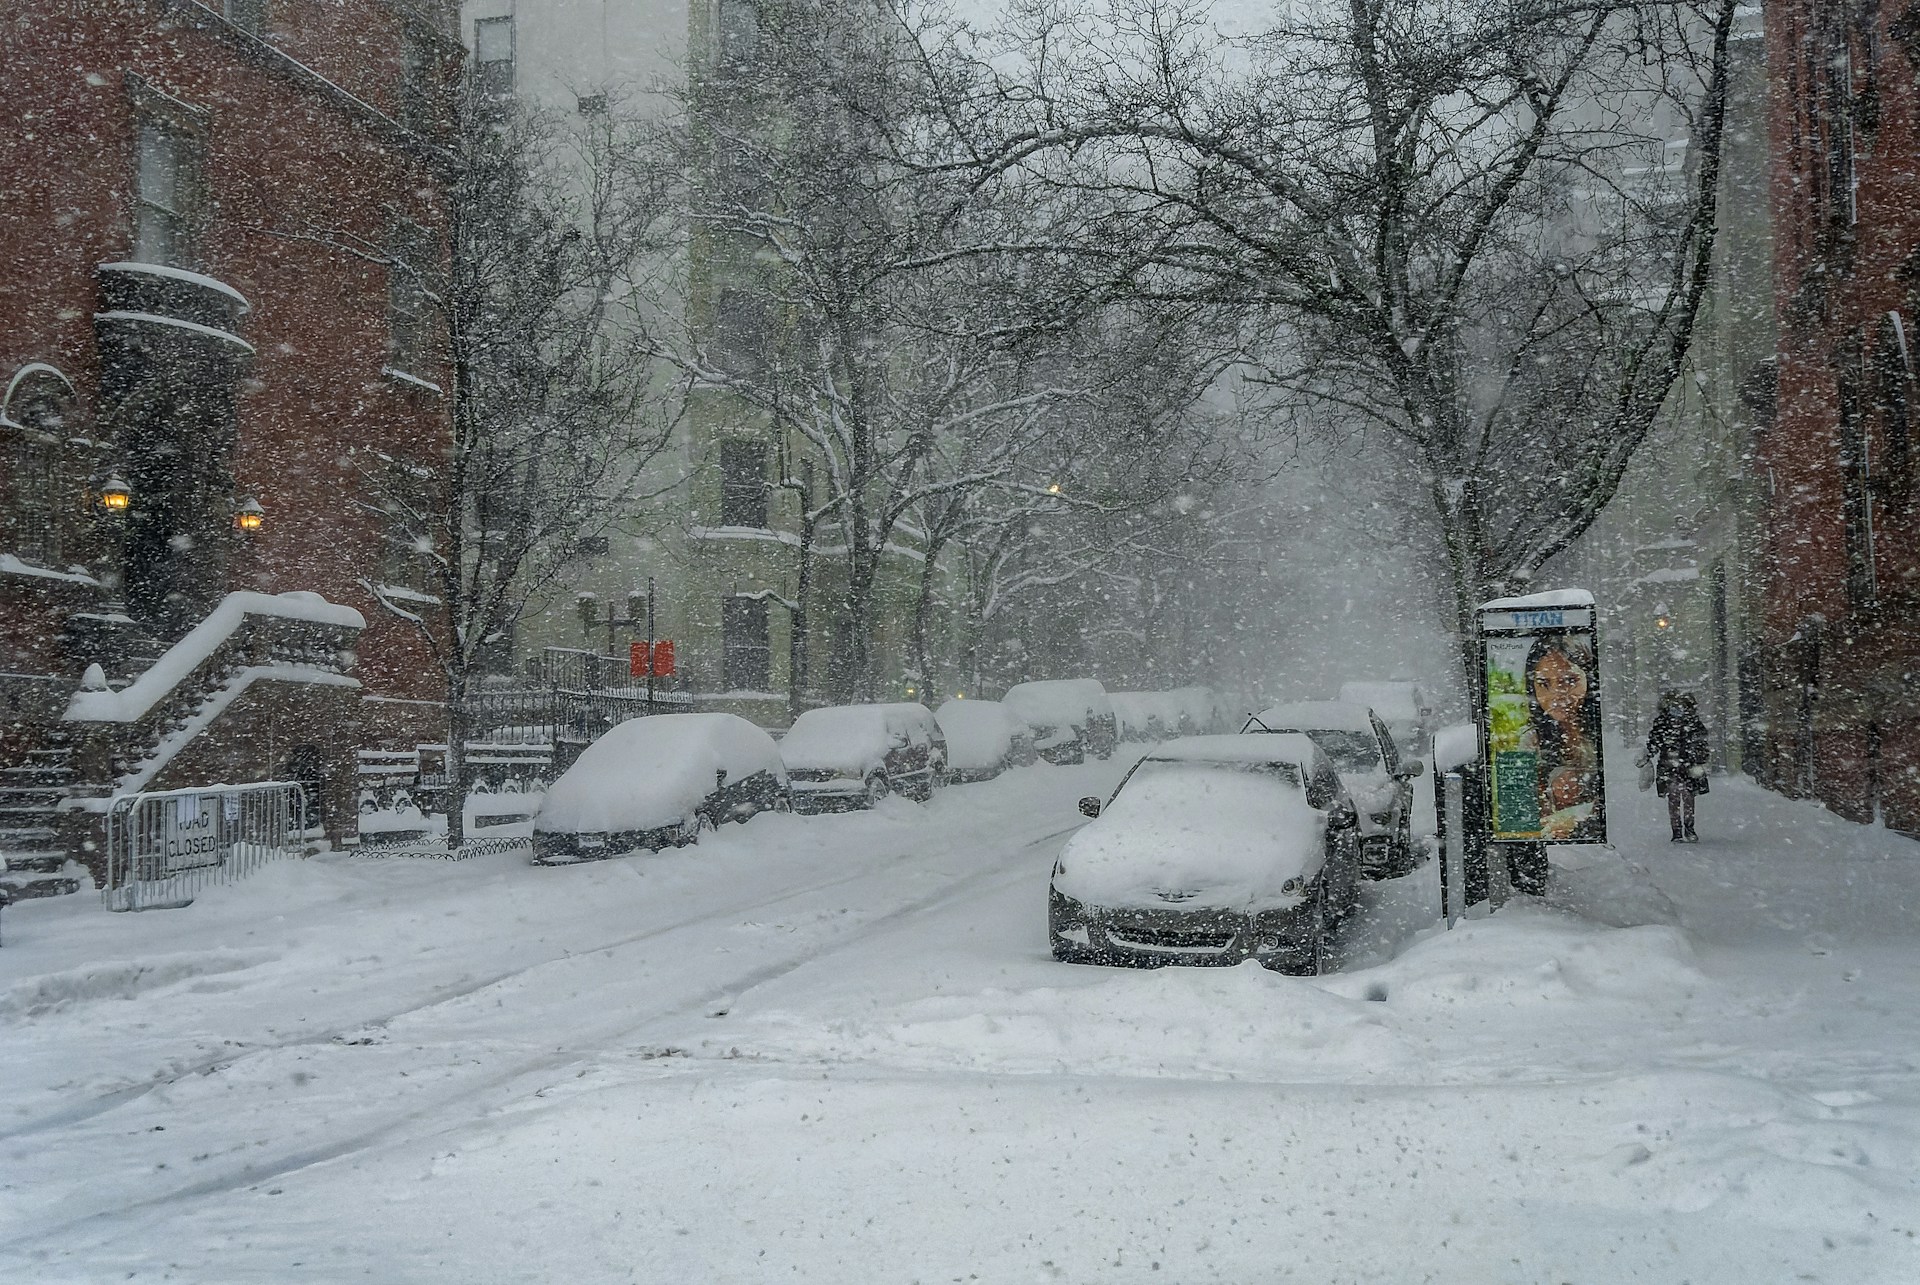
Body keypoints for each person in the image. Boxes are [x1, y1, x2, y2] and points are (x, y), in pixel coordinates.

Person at [1519, 633, 1603, 841]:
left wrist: (1576, 818)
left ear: (1588, 679)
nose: (1557, 693)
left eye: (1569, 680)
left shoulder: (1602, 730)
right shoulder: (1532, 739)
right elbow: (1526, 811)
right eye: (1544, 684)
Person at [1644, 690, 1710, 842]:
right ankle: (1678, 830)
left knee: (1687, 796)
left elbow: (1701, 741)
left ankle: (1687, 827)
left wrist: (1699, 755)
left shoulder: (1691, 722)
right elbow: (1655, 740)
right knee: (1675, 797)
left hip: (1687, 764)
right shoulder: (1664, 722)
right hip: (1672, 765)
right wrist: (1649, 752)